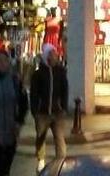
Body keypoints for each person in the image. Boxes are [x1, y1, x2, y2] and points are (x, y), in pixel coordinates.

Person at [30, 43, 68, 172]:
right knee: (41, 137)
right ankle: (41, 160)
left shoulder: (60, 72)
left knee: (59, 137)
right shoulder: (38, 74)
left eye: (55, 53)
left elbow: (64, 90)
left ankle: (61, 161)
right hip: (42, 113)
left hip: (57, 112)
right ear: (47, 56)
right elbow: (34, 94)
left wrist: (64, 107)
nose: (56, 56)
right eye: (52, 53)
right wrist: (34, 111)